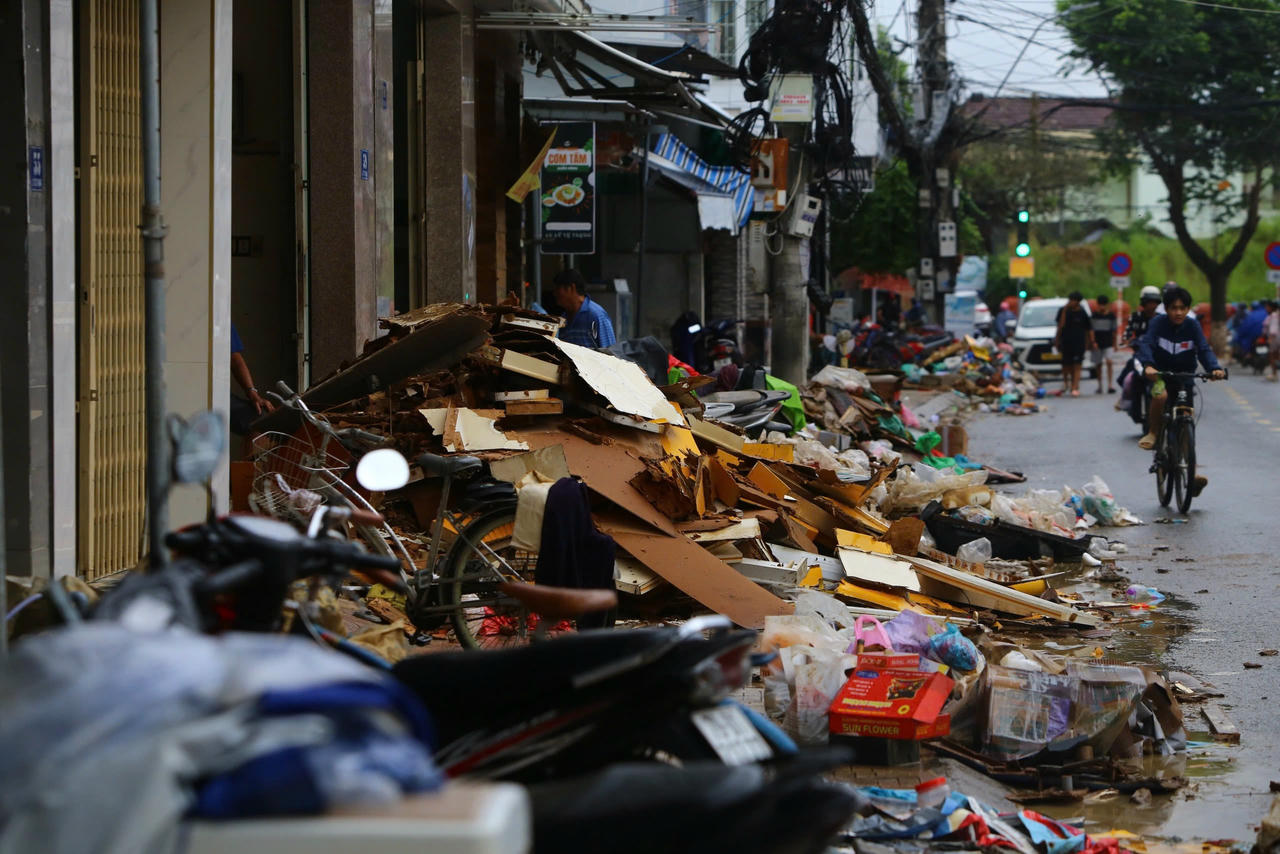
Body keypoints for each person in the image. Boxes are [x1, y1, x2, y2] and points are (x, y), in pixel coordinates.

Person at [1136, 287, 1225, 497]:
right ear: (1166, 309)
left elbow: (1203, 349)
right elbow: (1146, 344)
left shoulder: (1192, 326)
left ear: (1187, 309)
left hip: (1185, 377)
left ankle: (1190, 472)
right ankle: (1154, 433)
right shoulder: (1157, 323)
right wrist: (1148, 365)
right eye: (1173, 308)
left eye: (1182, 308)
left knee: (1186, 416)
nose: (1178, 312)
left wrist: (1214, 368)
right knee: (1161, 396)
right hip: (1161, 374)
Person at [1116, 286, 1163, 413]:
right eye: (1149, 302)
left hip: (1157, 355)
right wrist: (1127, 341)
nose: (1152, 305)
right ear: (1143, 303)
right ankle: (1127, 398)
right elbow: (1127, 333)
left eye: (1154, 302)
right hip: (1140, 355)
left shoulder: (1161, 319)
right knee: (1126, 375)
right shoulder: (1135, 316)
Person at [551, 269, 616, 349]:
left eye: (557, 289)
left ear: (571, 288)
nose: (554, 294)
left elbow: (610, 351)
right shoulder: (563, 319)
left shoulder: (596, 315)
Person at [230, 323, 275, 435]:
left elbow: (235, 360)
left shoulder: (221, 319)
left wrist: (252, 393)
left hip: (215, 391)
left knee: (261, 418)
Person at [1053, 291, 1095, 397]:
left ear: (1077, 302)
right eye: (1070, 300)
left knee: (1077, 365)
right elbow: (1060, 326)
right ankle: (1066, 383)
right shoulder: (1063, 311)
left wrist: (1091, 342)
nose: (1070, 302)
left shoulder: (1083, 313)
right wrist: (1057, 341)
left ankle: (1075, 386)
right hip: (1066, 342)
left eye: (1073, 300)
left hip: (1079, 343)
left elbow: (1089, 328)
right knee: (1066, 365)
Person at [1091, 293, 1117, 393]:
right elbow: (1091, 330)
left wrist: (1115, 344)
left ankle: (1110, 385)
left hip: (1108, 342)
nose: (1102, 307)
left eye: (1104, 304)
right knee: (1098, 364)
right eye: (1100, 304)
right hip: (1097, 342)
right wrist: (1093, 341)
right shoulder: (1094, 316)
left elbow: (1114, 331)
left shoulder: (1111, 316)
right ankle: (1100, 385)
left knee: (1109, 362)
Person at [1266, 300, 1280, 381]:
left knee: (1272, 356)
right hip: (1277, 338)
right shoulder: (1277, 315)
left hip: (1275, 339)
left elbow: (1273, 329)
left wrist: (1270, 339)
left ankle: (1274, 373)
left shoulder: (1274, 315)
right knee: (1276, 355)